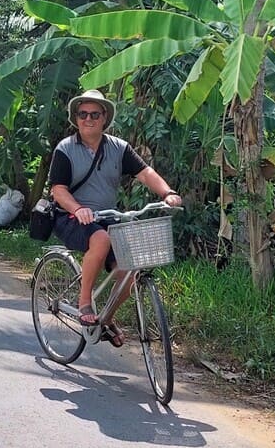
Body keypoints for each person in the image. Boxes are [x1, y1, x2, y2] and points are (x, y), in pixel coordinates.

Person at [49, 89, 182, 345]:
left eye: (94, 114)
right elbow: (58, 190)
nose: (88, 119)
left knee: (128, 272)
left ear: (104, 117)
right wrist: (77, 209)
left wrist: (167, 193)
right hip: (71, 217)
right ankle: (85, 302)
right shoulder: (65, 149)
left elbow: (145, 173)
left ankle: (107, 318)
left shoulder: (118, 148)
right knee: (100, 239)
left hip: (107, 217)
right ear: (76, 118)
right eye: (83, 114)